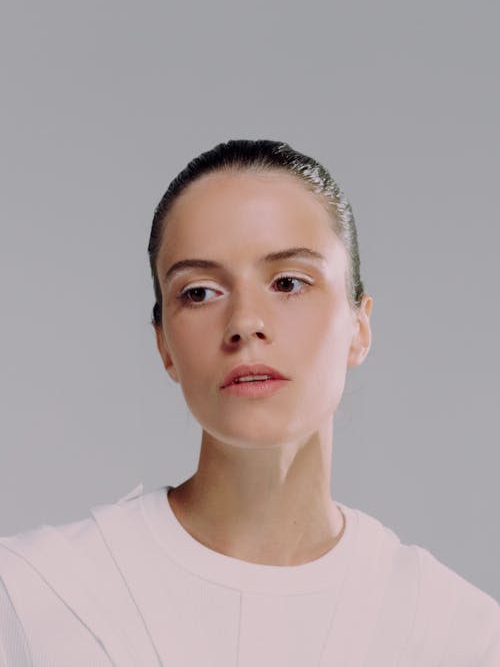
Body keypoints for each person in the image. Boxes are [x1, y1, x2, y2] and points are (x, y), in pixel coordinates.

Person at [0, 139, 498, 665]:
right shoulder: (34, 597)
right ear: (164, 344)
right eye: (199, 292)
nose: (244, 323)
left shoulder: (455, 633)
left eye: (288, 282)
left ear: (359, 325)